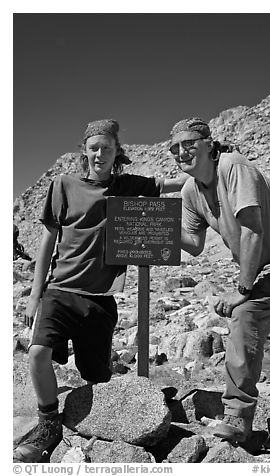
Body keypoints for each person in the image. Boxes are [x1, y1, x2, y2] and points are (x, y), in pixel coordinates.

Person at [13, 119, 187, 463]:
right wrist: (35, 294)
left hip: (100, 299)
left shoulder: (126, 185)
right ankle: (49, 423)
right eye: (94, 147)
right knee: (37, 354)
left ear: (116, 153)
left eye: (107, 148)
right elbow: (48, 238)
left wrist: (214, 170)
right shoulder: (63, 185)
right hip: (60, 290)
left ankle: (117, 421)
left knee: (97, 378)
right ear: (84, 151)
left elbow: (173, 183)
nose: (100, 153)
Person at [168, 117, 270, 443]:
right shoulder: (191, 191)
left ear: (209, 145)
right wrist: (157, 218)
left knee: (246, 313)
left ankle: (237, 416)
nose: (181, 152)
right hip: (258, 266)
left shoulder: (232, 166)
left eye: (189, 144)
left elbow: (252, 229)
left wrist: (241, 291)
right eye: (174, 148)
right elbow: (193, 244)